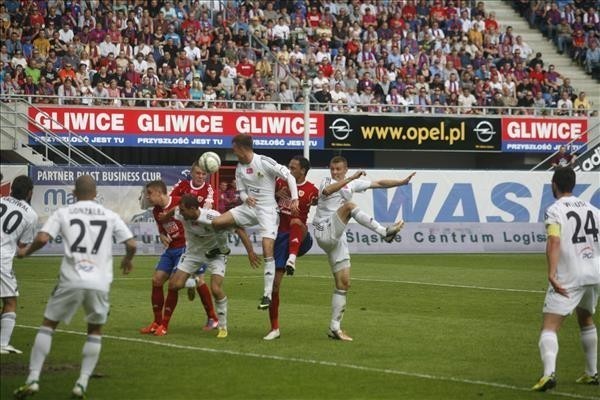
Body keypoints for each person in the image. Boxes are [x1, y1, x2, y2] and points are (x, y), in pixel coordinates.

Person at [13, 175, 136, 399]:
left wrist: (25, 252)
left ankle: (32, 379)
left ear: (73, 193)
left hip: (70, 279)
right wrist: (128, 260)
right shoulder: (109, 215)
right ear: (96, 193)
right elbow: (132, 243)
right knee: (94, 331)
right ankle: (81, 383)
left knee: (48, 325)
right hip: (99, 283)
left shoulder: (63, 213)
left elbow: (41, 238)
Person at [313, 156, 415, 341]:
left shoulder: (350, 184)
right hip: (324, 229)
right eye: (332, 168)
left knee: (343, 283)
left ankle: (334, 328)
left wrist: (402, 182)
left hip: (337, 235)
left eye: (338, 169)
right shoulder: (326, 181)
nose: (334, 172)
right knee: (350, 206)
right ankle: (384, 232)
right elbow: (327, 191)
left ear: (345, 168)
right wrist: (351, 178)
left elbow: (379, 183)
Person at [211, 134, 299, 310]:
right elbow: (242, 191)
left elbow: (289, 176)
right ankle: (222, 248)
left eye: (234, 147)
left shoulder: (263, 161)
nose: (233, 151)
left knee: (267, 249)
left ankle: (266, 295)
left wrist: (295, 198)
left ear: (242, 148)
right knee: (217, 222)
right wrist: (246, 198)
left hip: (267, 210)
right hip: (249, 208)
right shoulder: (239, 167)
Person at [531, 167, 599, 391]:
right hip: (594, 272)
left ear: (554, 185)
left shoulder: (554, 209)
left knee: (549, 326)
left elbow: (554, 241)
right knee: (586, 319)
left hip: (570, 273)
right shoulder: (593, 209)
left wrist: (551, 273)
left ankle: (548, 374)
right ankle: (591, 373)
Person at [169, 194, 259, 339]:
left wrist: (250, 251)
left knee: (216, 289)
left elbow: (239, 229)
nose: (181, 212)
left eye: (184, 210)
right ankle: (192, 281)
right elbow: (173, 211)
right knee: (174, 285)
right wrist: (163, 218)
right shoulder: (181, 214)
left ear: (193, 209)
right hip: (194, 253)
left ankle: (222, 327)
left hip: (216, 253)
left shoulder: (212, 217)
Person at [264, 156, 319, 340]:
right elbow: (265, 199)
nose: (289, 169)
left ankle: (292, 259)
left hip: (302, 238)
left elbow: (322, 201)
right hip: (281, 239)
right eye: (289, 166)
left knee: (296, 220)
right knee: (274, 286)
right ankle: (274, 328)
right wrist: (274, 195)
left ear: (302, 170)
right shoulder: (280, 182)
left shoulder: (311, 190)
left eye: (293, 167)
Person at [169, 162, 220, 331]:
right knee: (175, 280)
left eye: (203, 174)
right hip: (182, 237)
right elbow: (171, 200)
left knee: (200, 279)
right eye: (198, 173)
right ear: (191, 173)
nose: (201, 176)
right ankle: (189, 281)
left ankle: (212, 318)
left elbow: (206, 208)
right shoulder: (182, 185)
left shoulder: (209, 190)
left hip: (199, 241)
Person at [139, 180, 185, 337]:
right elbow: (162, 230)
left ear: (160, 192)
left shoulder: (180, 201)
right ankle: (156, 322)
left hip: (186, 249)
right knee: (156, 280)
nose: (147, 197)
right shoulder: (156, 211)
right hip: (170, 250)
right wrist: (162, 236)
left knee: (173, 284)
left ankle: (164, 325)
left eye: (150, 193)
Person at [0, 176, 38, 355]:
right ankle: (3, 344)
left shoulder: (0, 201)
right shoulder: (30, 214)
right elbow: (23, 246)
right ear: (30, 193)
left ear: (11, 189)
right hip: (2, 259)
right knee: (10, 300)